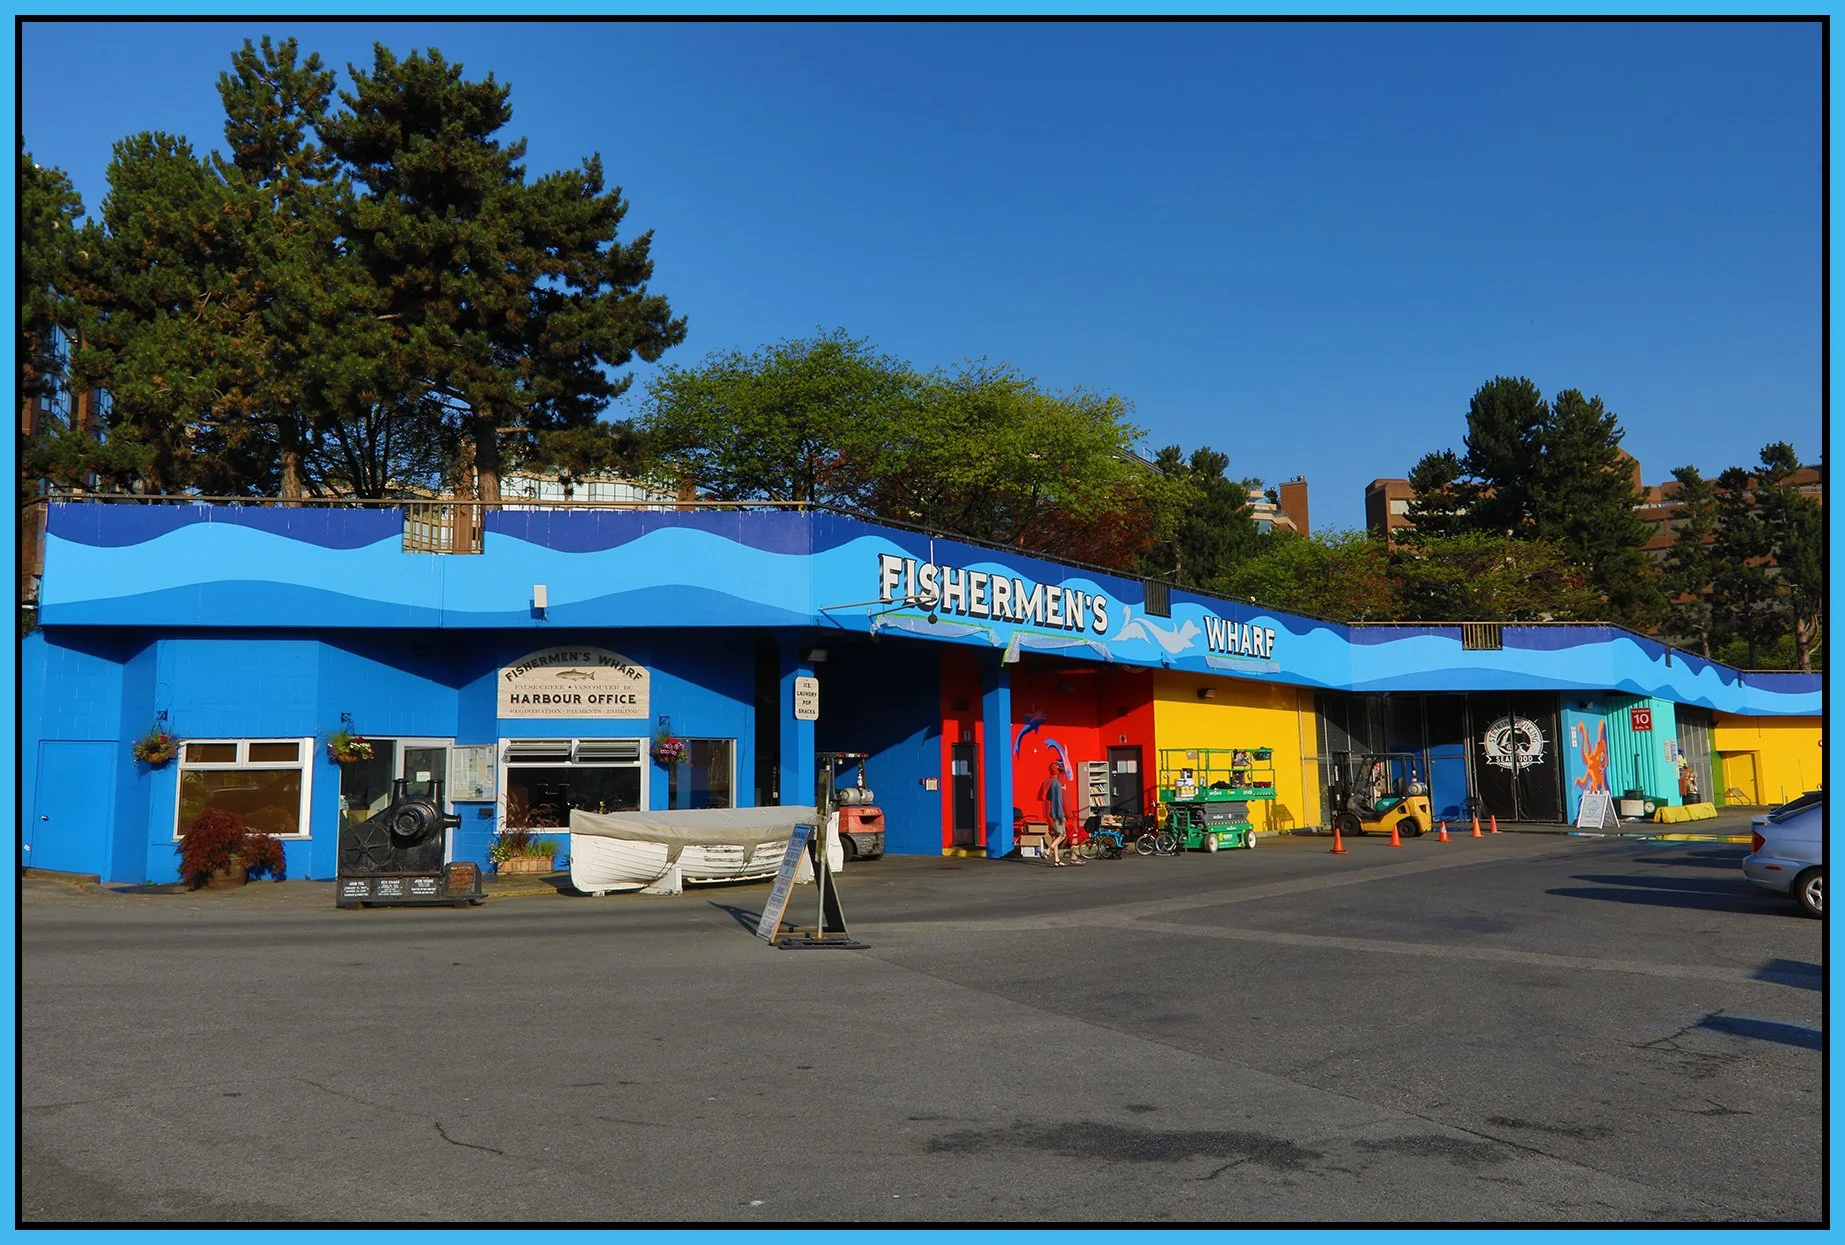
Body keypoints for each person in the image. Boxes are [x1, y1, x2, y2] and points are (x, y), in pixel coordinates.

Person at [1039, 760, 1080, 866]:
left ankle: (1056, 859)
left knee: (1056, 835)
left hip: (1048, 813)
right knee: (1062, 835)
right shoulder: (1057, 783)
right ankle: (1048, 850)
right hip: (1057, 813)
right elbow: (1058, 800)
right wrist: (1061, 814)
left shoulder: (1047, 782)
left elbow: (1042, 797)